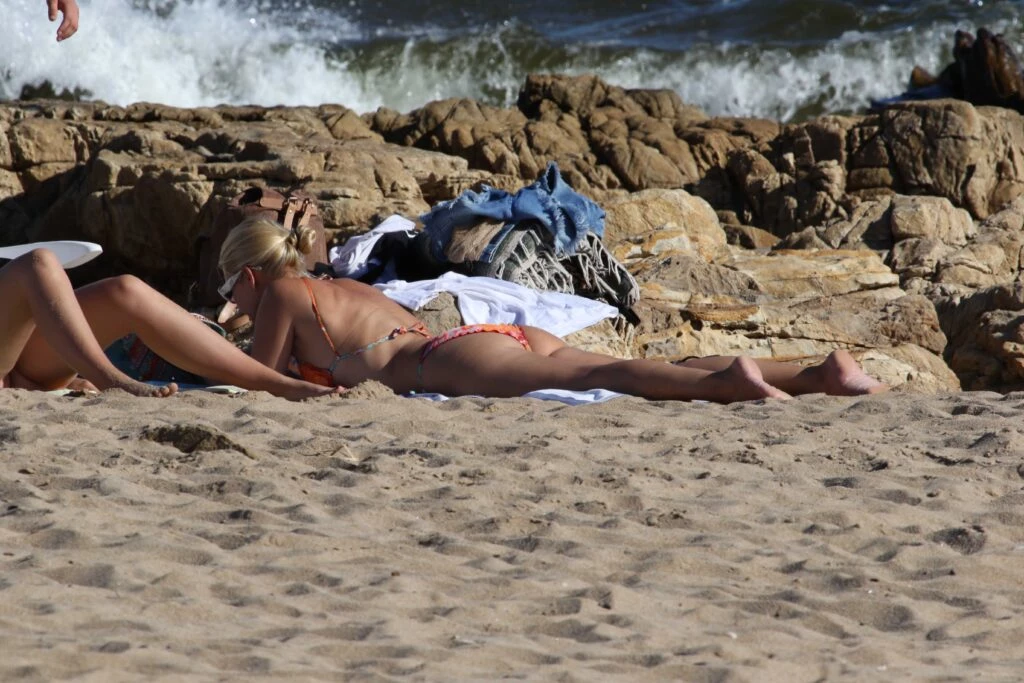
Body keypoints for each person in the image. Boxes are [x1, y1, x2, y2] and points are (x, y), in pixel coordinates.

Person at [218, 217, 888, 403]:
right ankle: (816, 373)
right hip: (487, 335)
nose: (233, 301)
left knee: (607, 377)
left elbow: (259, 377)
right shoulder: (336, 286)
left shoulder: (279, 293)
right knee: (619, 364)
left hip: (441, 358)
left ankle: (728, 383)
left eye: (231, 289)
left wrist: (228, 325)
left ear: (250, 275)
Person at [0, 247, 340, 399]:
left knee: (125, 290)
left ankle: (277, 385)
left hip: (19, 368)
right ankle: (111, 381)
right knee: (38, 263)